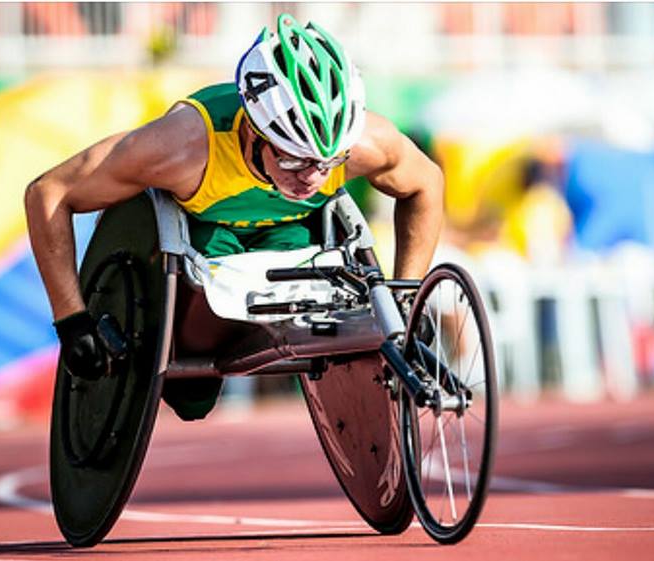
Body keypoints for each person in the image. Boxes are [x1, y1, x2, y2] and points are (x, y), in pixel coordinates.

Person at [24, 13, 444, 421]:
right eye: (296, 162)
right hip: (205, 237)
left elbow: (427, 185)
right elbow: (48, 193)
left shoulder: (368, 143)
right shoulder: (181, 148)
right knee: (192, 398)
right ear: (255, 133)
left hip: (296, 238)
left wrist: (405, 298)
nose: (315, 177)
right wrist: (72, 320)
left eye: (329, 161)